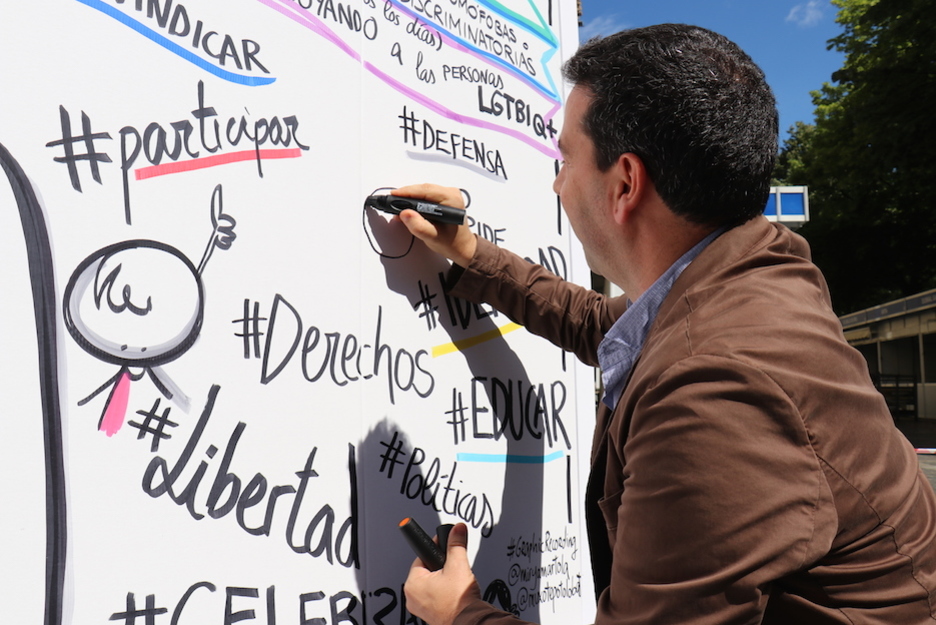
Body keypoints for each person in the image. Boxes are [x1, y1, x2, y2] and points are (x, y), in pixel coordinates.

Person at [392, 24, 936, 625]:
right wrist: (470, 251)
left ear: (625, 182)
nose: (556, 181)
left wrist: (459, 614)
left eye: (565, 158)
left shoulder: (712, 389)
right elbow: (602, 324)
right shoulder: (748, 276)